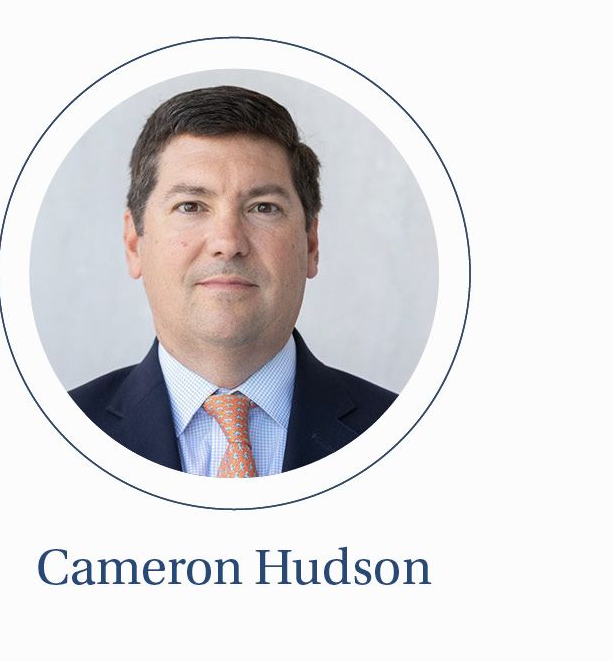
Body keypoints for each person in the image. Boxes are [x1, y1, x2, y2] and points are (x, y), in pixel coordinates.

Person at [70, 86, 395, 477]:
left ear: (310, 243)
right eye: (190, 206)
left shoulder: (403, 433)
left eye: (263, 208)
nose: (228, 243)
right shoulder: (57, 436)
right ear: (134, 243)